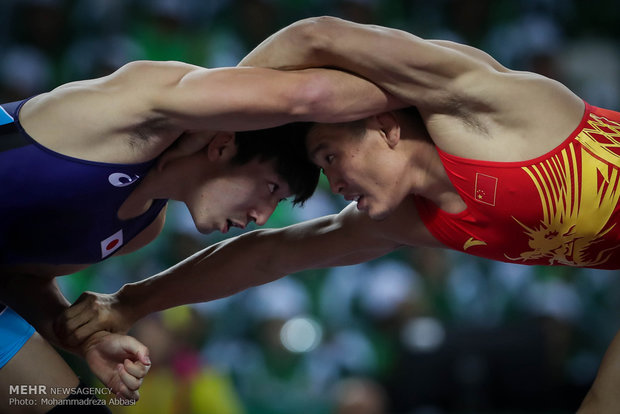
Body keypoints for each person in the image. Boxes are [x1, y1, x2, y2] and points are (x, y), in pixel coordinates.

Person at [57, 17, 620, 412]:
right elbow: (271, 254)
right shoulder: (408, 219)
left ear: (386, 126)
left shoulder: (480, 110)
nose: (334, 182)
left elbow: (315, 36)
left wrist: (212, 122)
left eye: (330, 156)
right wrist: (131, 301)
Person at [0, 57, 400, 414]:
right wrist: (429, 92)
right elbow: (303, 90)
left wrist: (79, 336)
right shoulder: (137, 111)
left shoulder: (143, 228)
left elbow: (19, 276)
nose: (261, 216)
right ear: (224, 144)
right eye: (271, 189)